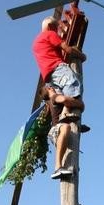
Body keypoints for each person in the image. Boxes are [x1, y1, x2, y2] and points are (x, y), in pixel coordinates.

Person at [33, 17, 88, 179]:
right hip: (56, 68)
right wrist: (81, 55)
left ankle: (70, 114)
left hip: (48, 74)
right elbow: (68, 49)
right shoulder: (49, 34)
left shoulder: (36, 43)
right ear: (51, 26)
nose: (58, 30)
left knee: (65, 93)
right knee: (74, 83)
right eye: (57, 27)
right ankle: (71, 113)